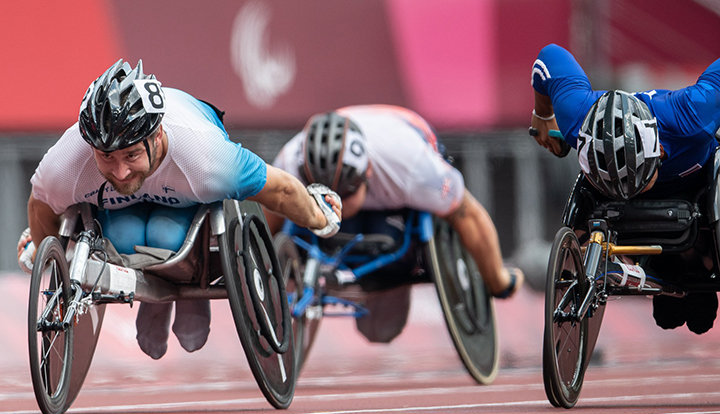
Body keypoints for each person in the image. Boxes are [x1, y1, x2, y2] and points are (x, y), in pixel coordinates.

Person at [17, 59, 341, 359]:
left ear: (157, 136)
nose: (120, 172)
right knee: (124, 236)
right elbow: (41, 204)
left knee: (165, 235)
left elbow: (281, 190)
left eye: (131, 155)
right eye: (106, 158)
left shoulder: (206, 158)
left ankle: (185, 293)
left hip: (185, 187)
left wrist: (318, 216)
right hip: (124, 218)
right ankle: (157, 298)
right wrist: (45, 252)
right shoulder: (67, 161)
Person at [264, 105, 523, 343]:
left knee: (380, 330)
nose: (333, 204)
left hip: (405, 147)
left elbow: (468, 215)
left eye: (342, 196)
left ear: (367, 173)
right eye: (323, 197)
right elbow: (269, 222)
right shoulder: (290, 162)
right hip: (361, 163)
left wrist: (498, 280)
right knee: (293, 216)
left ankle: (397, 265)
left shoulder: (413, 168)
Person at [530, 43, 720, 334]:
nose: (627, 190)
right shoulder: (576, 119)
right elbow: (550, 56)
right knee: (668, 319)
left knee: (694, 317)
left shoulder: (694, 113)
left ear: (657, 151)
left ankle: (695, 262)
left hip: (696, 192)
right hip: (614, 207)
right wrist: (543, 115)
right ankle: (657, 264)